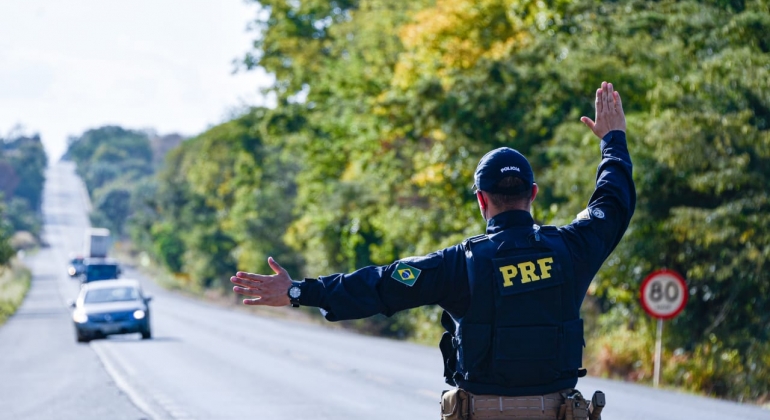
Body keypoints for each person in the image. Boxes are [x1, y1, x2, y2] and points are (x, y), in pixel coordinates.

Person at [231, 81, 635, 420]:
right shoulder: (572, 248)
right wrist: (612, 141)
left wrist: (298, 291)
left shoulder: (458, 264)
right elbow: (612, 204)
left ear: (481, 200)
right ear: (533, 194)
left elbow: (379, 285)